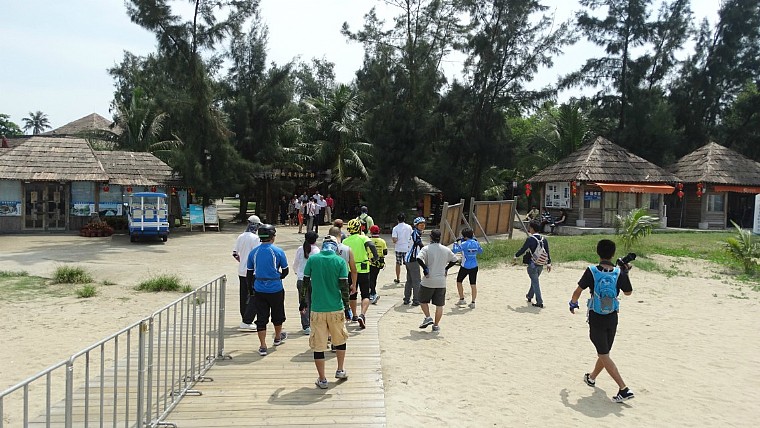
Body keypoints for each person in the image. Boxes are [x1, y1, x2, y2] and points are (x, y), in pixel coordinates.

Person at [569, 239, 634, 403]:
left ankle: (624, 389)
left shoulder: (591, 271)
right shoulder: (618, 272)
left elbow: (578, 291)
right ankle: (591, 377)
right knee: (604, 352)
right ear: (613, 254)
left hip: (596, 317)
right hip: (612, 316)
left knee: (603, 354)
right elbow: (628, 293)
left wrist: (573, 303)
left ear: (598, 252)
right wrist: (626, 272)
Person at [301, 236, 352, 389]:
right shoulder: (340, 261)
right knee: (340, 340)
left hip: (317, 309)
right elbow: (344, 287)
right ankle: (340, 370)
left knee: (318, 345)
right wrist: (347, 307)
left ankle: (322, 379)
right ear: (335, 247)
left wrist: (303, 302)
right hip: (336, 308)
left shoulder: (313, 259)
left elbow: (305, 283)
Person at [246, 224, 289, 356]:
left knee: (261, 317)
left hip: (259, 288)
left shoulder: (253, 252)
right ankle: (277, 337)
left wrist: (250, 289)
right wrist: (278, 277)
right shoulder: (278, 251)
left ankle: (263, 345)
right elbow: (285, 271)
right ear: (272, 237)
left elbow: (249, 273)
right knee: (278, 314)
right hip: (276, 288)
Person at [416, 229, 458, 332]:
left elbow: (419, 258)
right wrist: (446, 268)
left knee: (422, 300)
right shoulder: (445, 249)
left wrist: (425, 268)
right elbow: (455, 260)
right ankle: (436, 325)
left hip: (428, 280)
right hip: (441, 281)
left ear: (430, 237)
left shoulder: (426, 248)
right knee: (439, 305)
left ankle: (428, 317)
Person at [343, 218, 379, 329]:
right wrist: (375, 257)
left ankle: (354, 315)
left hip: (350, 269)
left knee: (352, 293)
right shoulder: (363, 237)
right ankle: (362, 314)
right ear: (359, 228)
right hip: (363, 268)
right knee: (365, 294)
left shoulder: (345, 241)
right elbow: (372, 246)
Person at [232, 215, 261, 331]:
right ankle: (248, 320)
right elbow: (257, 255)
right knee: (253, 295)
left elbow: (235, 253)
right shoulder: (256, 238)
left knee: (243, 295)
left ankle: (244, 317)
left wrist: (242, 261)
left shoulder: (240, 236)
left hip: (241, 271)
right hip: (252, 271)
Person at [513, 221, 552, 308]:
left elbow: (523, 249)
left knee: (535, 282)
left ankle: (539, 302)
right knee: (535, 281)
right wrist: (549, 263)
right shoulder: (544, 239)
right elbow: (547, 252)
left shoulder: (530, 239)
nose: (529, 229)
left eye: (530, 227)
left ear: (532, 228)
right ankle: (529, 296)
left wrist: (516, 255)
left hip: (532, 264)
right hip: (541, 263)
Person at [293, 231, 320, 335]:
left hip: (301, 279)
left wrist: (297, 272)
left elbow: (295, 264)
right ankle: (314, 323)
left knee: (303, 302)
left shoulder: (300, 249)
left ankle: (306, 326)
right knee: (314, 302)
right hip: (314, 280)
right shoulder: (317, 251)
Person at [452, 227, 483, 309]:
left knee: (459, 281)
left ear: (464, 236)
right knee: (473, 284)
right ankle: (473, 302)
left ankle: (462, 299)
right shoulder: (476, 243)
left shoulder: (463, 244)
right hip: (474, 266)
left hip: (465, 266)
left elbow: (454, 251)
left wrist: (456, 242)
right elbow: (480, 251)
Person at [403, 217, 426, 306]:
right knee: (416, 281)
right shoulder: (415, 234)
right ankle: (416, 300)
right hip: (413, 260)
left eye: (423, 224)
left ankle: (406, 299)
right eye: (420, 225)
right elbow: (420, 244)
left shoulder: (415, 233)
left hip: (408, 259)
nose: (422, 226)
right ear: (416, 225)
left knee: (409, 280)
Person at [368, 225, 388, 304]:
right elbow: (385, 252)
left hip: (370, 262)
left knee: (370, 279)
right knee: (374, 278)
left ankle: (373, 293)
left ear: (370, 232)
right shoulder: (382, 241)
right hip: (379, 263)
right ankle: (372, 293)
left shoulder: (368, 240)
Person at [391, 213, 412, 285]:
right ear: (404, 219)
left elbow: (394, 240)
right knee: (408, 264)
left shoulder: (395, 228)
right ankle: (409, 278)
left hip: (399, 248)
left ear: (397, 220)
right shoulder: (409, 227)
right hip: (407, 248)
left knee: (398, 263)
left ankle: (398, 278)